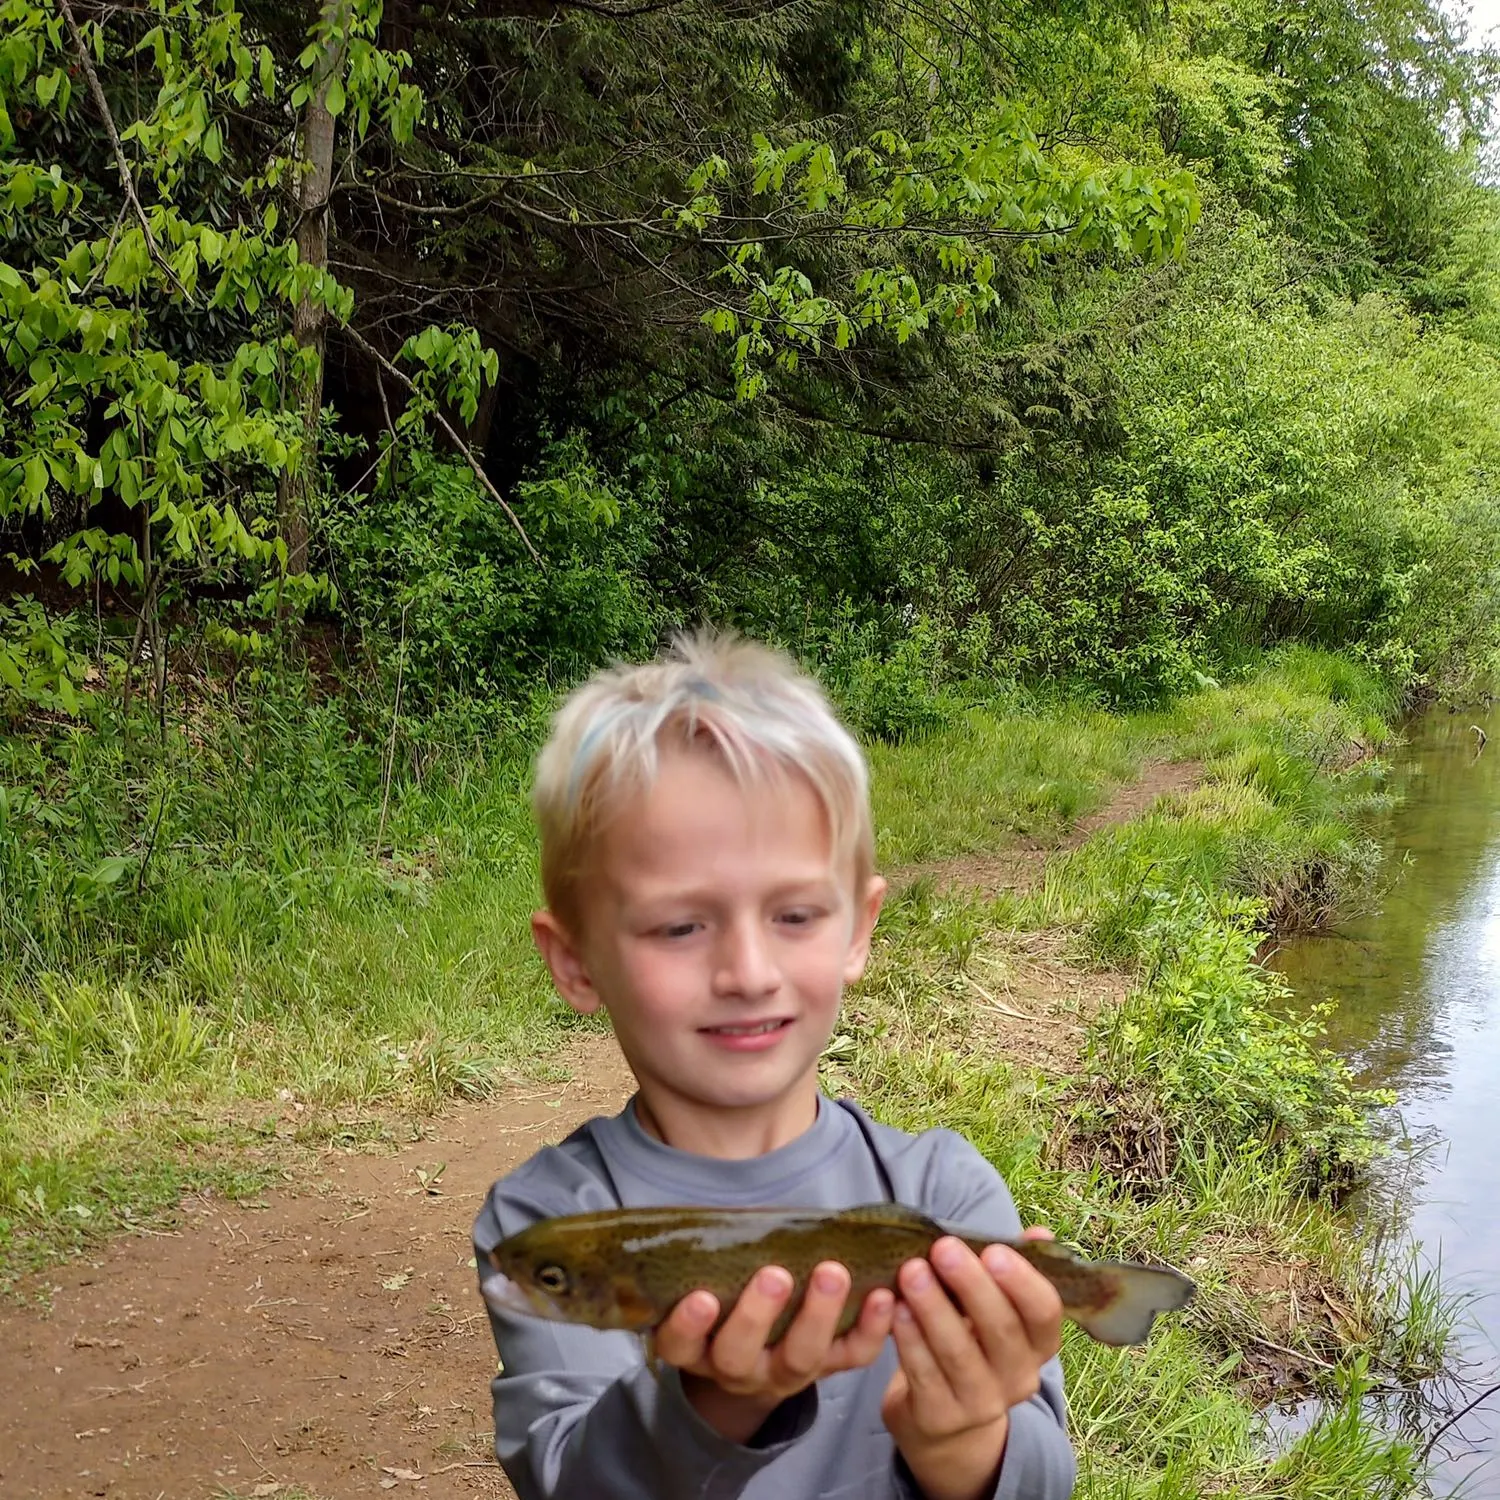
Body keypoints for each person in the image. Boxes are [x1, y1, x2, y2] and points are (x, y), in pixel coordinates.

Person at [471, 631, 1075, 1500]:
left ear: (859, 930)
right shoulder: (551, 1222)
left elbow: (1045, 1483)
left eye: (794, 915)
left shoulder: (945, 1190)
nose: (747, 972)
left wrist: (966, 1440)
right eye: (680, 926)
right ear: (574, 962)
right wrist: (704, 1402)